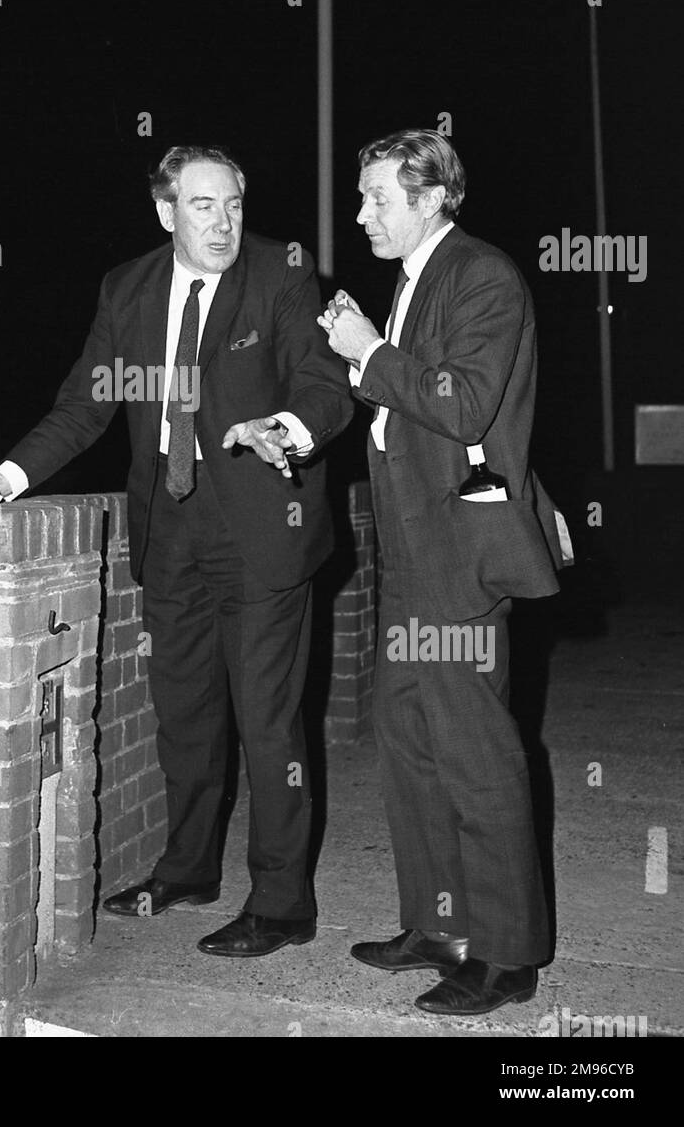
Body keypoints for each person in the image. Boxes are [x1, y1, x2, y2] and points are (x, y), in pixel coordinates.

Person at [0, 144, 352, 958]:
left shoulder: (281, 275)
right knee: (184, 718)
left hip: (263, 536)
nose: (221, 223)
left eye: (232, 205)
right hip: (170, 534)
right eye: (201, 207)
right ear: (165, 212)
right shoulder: (129, 288)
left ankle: (284, 903)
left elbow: (323, 383)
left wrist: (285, 430)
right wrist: (3, 481)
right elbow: (85, 403)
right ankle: (187, 869)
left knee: (267, 722)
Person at [319, 128, 564, 1015]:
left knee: (473, 752)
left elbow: (461, 401)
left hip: (455, 559)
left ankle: (505, 952)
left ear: (430, 197)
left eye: (377, 196)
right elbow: (412, 411)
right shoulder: (419, 276)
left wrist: (366, 350)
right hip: (411, 554)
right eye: (361, 196)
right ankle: (439, 924)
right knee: (410, 743)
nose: (361, 212)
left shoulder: (481, 274)